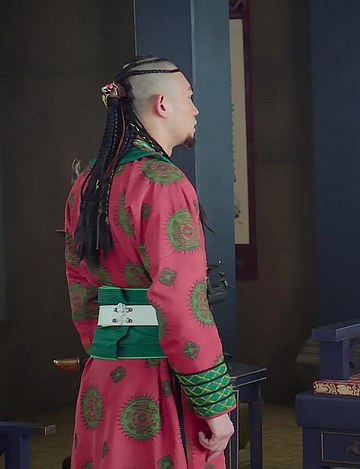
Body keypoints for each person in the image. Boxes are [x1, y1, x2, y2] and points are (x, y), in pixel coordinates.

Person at [64, 56, 236, 468]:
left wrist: (108, 348)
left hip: (103, 379)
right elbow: (181, 300)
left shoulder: (87, 182)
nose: (195, 109)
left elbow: (79, 285)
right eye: (189, 97)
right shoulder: (163, 182)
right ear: (163, 104)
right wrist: (214, 403)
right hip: (159, 383)